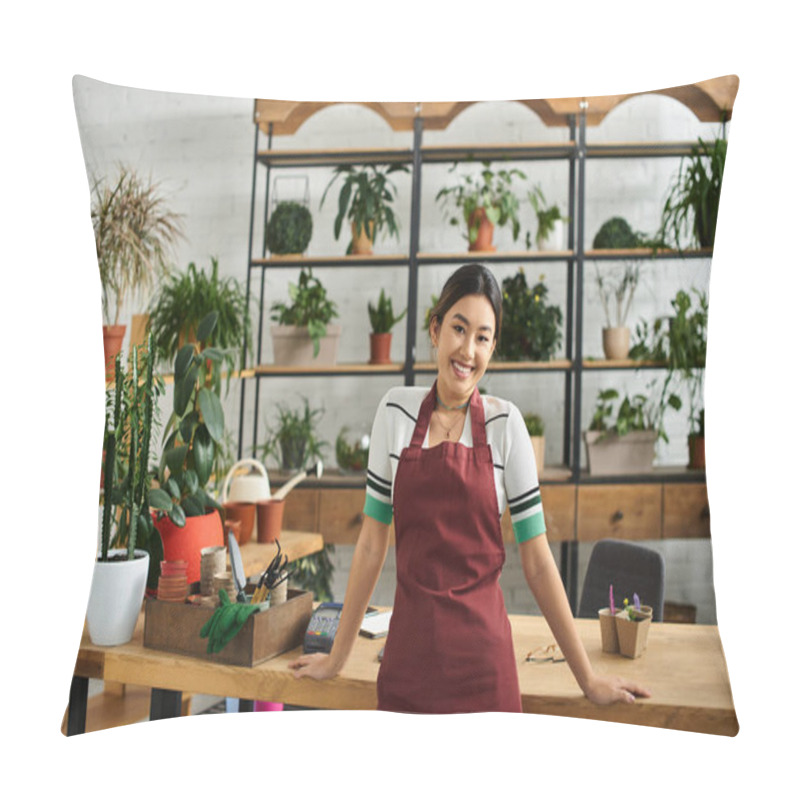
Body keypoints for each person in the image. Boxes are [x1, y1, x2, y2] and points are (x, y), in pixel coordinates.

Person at [289, 263, 650, 712]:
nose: (468, 349)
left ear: (492, 347)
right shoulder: (395, 414)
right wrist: (336, 658)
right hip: (407, 667)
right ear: (436, 329)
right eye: (459, 329)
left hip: (485, 671)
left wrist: (589, 679)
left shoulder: (506, 425)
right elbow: (370, 545)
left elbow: (537, 563)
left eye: (482, 336)